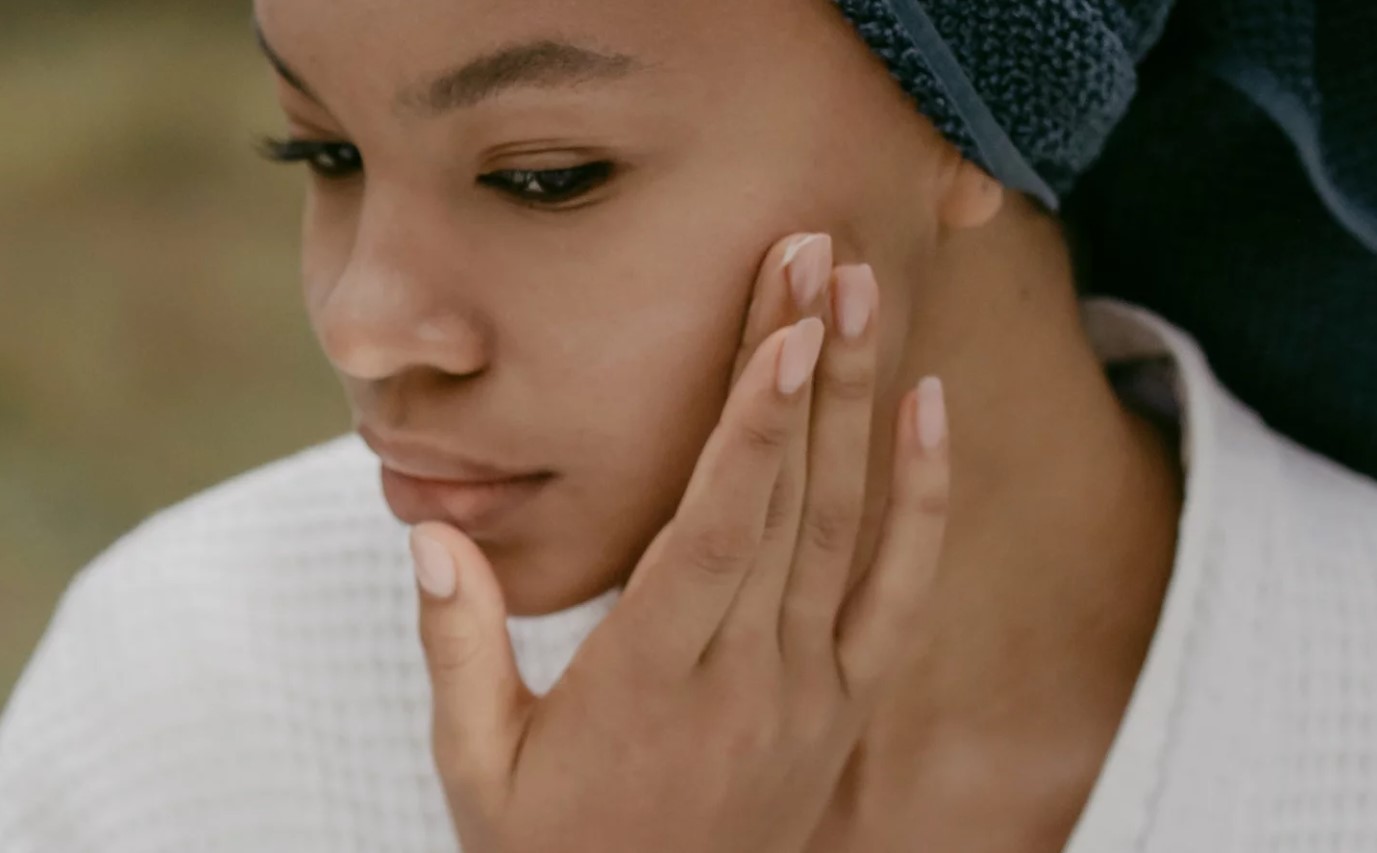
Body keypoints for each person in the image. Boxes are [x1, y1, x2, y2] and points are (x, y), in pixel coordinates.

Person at [2, 0, 1375, 851]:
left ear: (969, 128)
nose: (364, 323)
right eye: (326, 152)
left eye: (546, 176)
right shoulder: (187, 698)